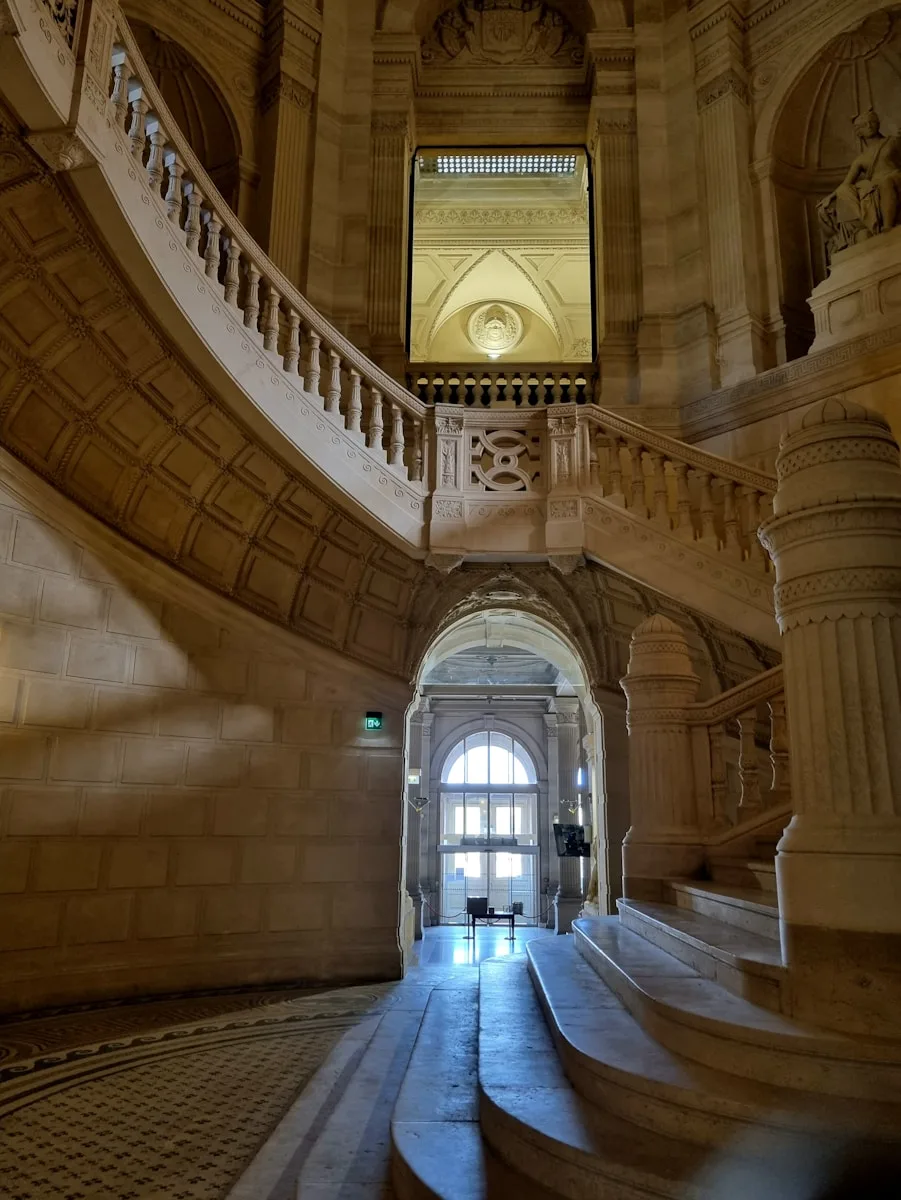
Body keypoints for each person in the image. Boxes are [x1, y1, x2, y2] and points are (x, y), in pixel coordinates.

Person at [817, 109, 901, 255]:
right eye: (863, 125)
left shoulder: (893, 141)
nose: (869, 126)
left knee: (886, 182)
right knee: (845, 191)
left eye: (871, 122)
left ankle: (888, 227)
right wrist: (830, 197)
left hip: (895, 177)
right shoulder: (861, 159)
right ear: (858, 132)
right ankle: (868, 223)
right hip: (875, 186)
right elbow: (846, 182)